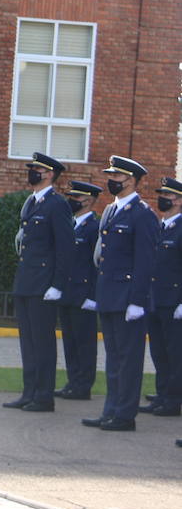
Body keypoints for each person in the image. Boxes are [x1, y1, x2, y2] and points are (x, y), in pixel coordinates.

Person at [82, 155, 158, 432]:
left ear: (132, 180)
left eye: (118, 177)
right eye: (111, 176)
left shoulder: (143, 214)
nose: (112, 180)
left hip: (128, 300)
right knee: (114, 358)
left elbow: (145, 262)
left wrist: (137, 301)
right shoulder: (112, 210)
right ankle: (110, 411)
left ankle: (124, 415)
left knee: (128, 360)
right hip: (110, 295)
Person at [3, 153, 74, 412]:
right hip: (27, 280)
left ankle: (43, 396)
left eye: (38, 169)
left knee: (42, 343)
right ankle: (29, 392)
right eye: (32, 168)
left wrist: (57, 284)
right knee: (28, 342)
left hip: (44, 284)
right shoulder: (32, 202)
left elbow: (65, 247)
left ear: (50, 174)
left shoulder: (56, 204)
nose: (32, 172)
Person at [56, 181, 102, 401]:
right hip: (67, 292)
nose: (71, 201)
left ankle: (83, 385)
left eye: (76, 197)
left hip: (84, 294)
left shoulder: (95, 227)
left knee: (84, 344)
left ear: (88, 200)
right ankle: (73, 381)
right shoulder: (70, 224)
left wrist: (93, 296)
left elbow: (98, 264)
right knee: (70, 342)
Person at [142, 176, 182, 418]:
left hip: (174, 302)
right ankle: (162, 394)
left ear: (179, 201)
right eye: (162, 195)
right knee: (159, 352)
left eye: (168, 196)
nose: (163, 199)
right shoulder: (161, 226)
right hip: (156, 299)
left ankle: (173, 399)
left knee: (175, 354)